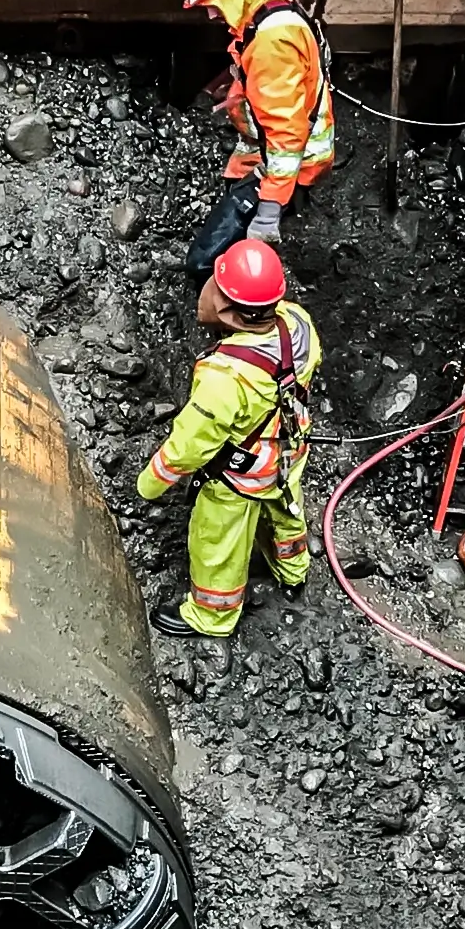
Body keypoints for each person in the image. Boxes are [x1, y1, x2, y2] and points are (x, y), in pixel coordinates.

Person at [138, 239, 322, 639]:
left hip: (241, 475)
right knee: (287, 511)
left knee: (217, 542)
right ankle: (293, 571)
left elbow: (192, 442)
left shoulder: (227, 375)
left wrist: (150, 483)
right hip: (289, 450)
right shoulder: (297, 322)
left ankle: (212, 616)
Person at [175, 0, 336, 273]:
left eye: (209, 1)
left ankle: (242, 305)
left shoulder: (270, 43)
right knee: (232, 201)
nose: (208, 12)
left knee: (204, 262)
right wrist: (235, 93)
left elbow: (287, 137)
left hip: (286, 163)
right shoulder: (266, 2)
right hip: (263, 152)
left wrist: (268, 212)